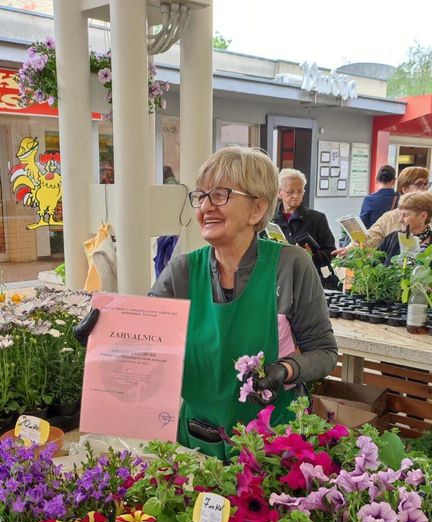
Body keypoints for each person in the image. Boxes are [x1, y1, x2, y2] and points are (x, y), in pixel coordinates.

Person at [76, 148, 338, 459]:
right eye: (201, 196)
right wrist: (103, 343)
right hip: (200, 438)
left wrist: (286, 369)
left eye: (220, 195)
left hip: (274, 441)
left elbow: (324, 352)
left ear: (257, 208)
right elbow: (146, 348)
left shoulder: (290, 265)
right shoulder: (182, 272)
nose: (205, 207)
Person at [334, 166, 430, 257]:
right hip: (396, 271)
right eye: (419, 184)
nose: (425, 188)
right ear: (404, 189)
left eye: (426, 183)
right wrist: (349, 249)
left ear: (423, 216)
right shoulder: (390, 217)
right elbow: (371, 238)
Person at [273, 169, 336, 285]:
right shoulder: (269, 219)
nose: (296, 196)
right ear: (279, 193)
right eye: (290, 192)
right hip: (276, 279)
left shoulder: (317, 218)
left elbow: (331, 252)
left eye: (300, 191)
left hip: (307, 280)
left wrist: (310, 256)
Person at [379, 190, 432, 260]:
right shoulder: (392, 238)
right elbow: (374, 266)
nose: (400, 220)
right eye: (400, 215)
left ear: (423, 216)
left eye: (405, 215)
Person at [359, 164, 397, 229]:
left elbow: (362, 224)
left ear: (376, 180)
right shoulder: (401, 199)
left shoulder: (369, 199)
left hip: (375, 237)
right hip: (394, 238)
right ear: (394, 181)